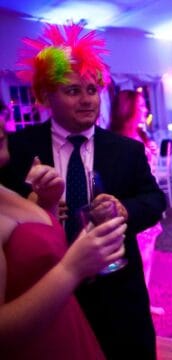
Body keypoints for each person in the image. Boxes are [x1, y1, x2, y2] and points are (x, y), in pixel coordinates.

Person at [0, 23, 165, 359]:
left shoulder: (125, 150)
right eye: (73, 91)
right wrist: (37, 201)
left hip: (118, 295)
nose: (88, 100)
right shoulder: (16, 149)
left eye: (93, 90)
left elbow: (155, 200)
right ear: (47, 96)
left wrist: (123, 209)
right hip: (43, 300)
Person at [0, 99, 128, 359]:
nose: (2, 125)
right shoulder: (24, 145)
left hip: (68, 327)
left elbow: (27, 254)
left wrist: (45, 203)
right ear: (49, 99)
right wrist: (73, 269)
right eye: (72, 90)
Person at [109, 89, 165, 315]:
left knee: (147, 258)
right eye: (140, 106)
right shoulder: (117, 142)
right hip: (129, 208)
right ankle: (134, 305)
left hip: (146, 206)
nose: (144, 110)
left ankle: (144, 301)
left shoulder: (140, 136)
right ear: (126, 110)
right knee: (132, 260)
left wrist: (151, 155)